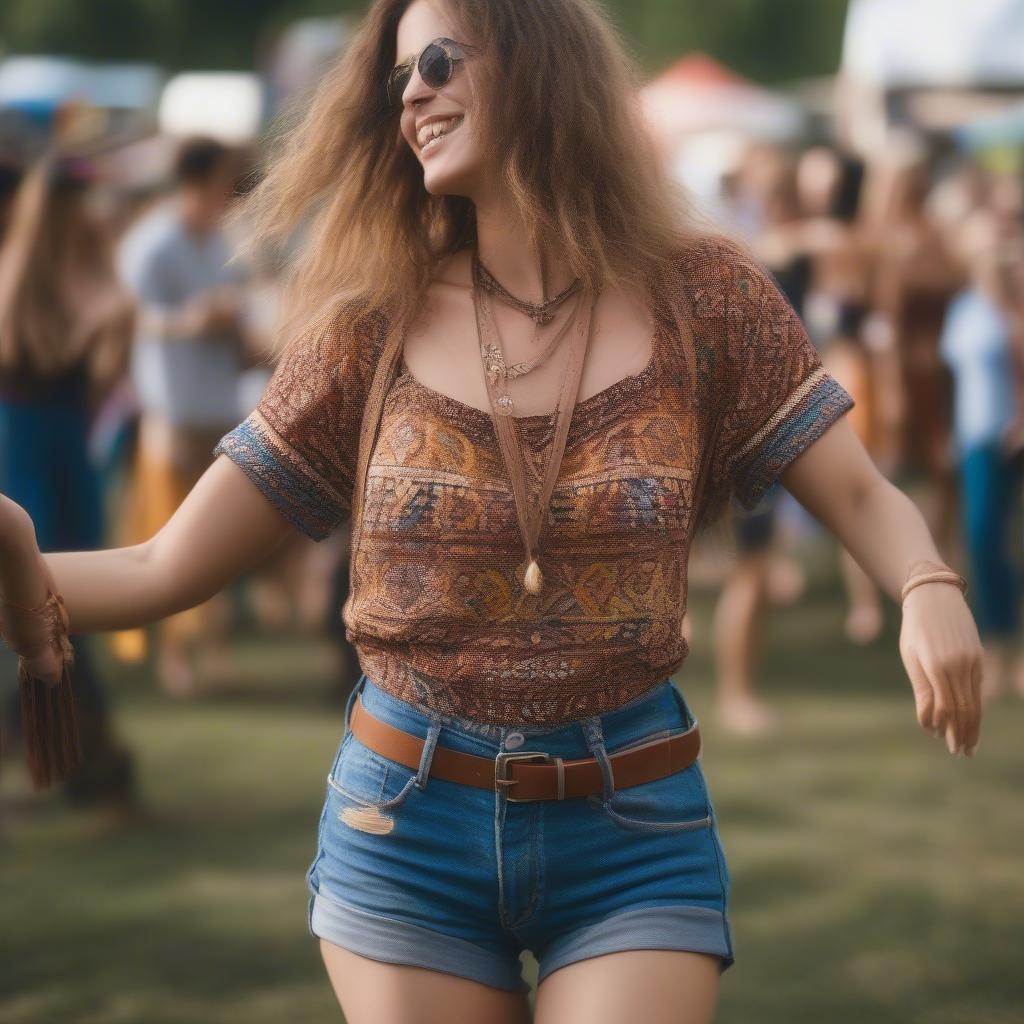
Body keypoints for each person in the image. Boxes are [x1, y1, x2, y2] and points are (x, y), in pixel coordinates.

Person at [0, 2, 985, 1022]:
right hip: (403, 828)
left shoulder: (708, 295)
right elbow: (164, 568)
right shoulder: (364, 325)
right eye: (397, 80)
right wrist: (14, 554)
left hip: (631, 825)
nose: (412, 93)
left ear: (537, 61)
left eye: (434, 60)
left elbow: (862, 490)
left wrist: (925, 582)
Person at [0, 155, 138, 813]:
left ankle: (87, 762)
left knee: (65, 601)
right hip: (27, 447)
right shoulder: (25, 273)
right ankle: (90, 765)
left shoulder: (82, 266)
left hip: (55, 447)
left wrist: (113, 324)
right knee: (47, 599)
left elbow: (104, 376)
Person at [114, 136, 249, 697]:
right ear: (196, 182)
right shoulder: (153, 244)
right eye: (223, 181)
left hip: (218, 401)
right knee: (168, 532)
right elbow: (130, 319)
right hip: (171, 405)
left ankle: (211, 649)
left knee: (216, 535)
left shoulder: (220, 240)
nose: (228, 194)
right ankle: (175, 657)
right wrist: (192, 321)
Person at [939, 211, 1024, 701]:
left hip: (1012, 435)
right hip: (975, 437)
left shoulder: (1014, 306)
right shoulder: (965, 307)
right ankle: (999, 643)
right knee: (983, 540)